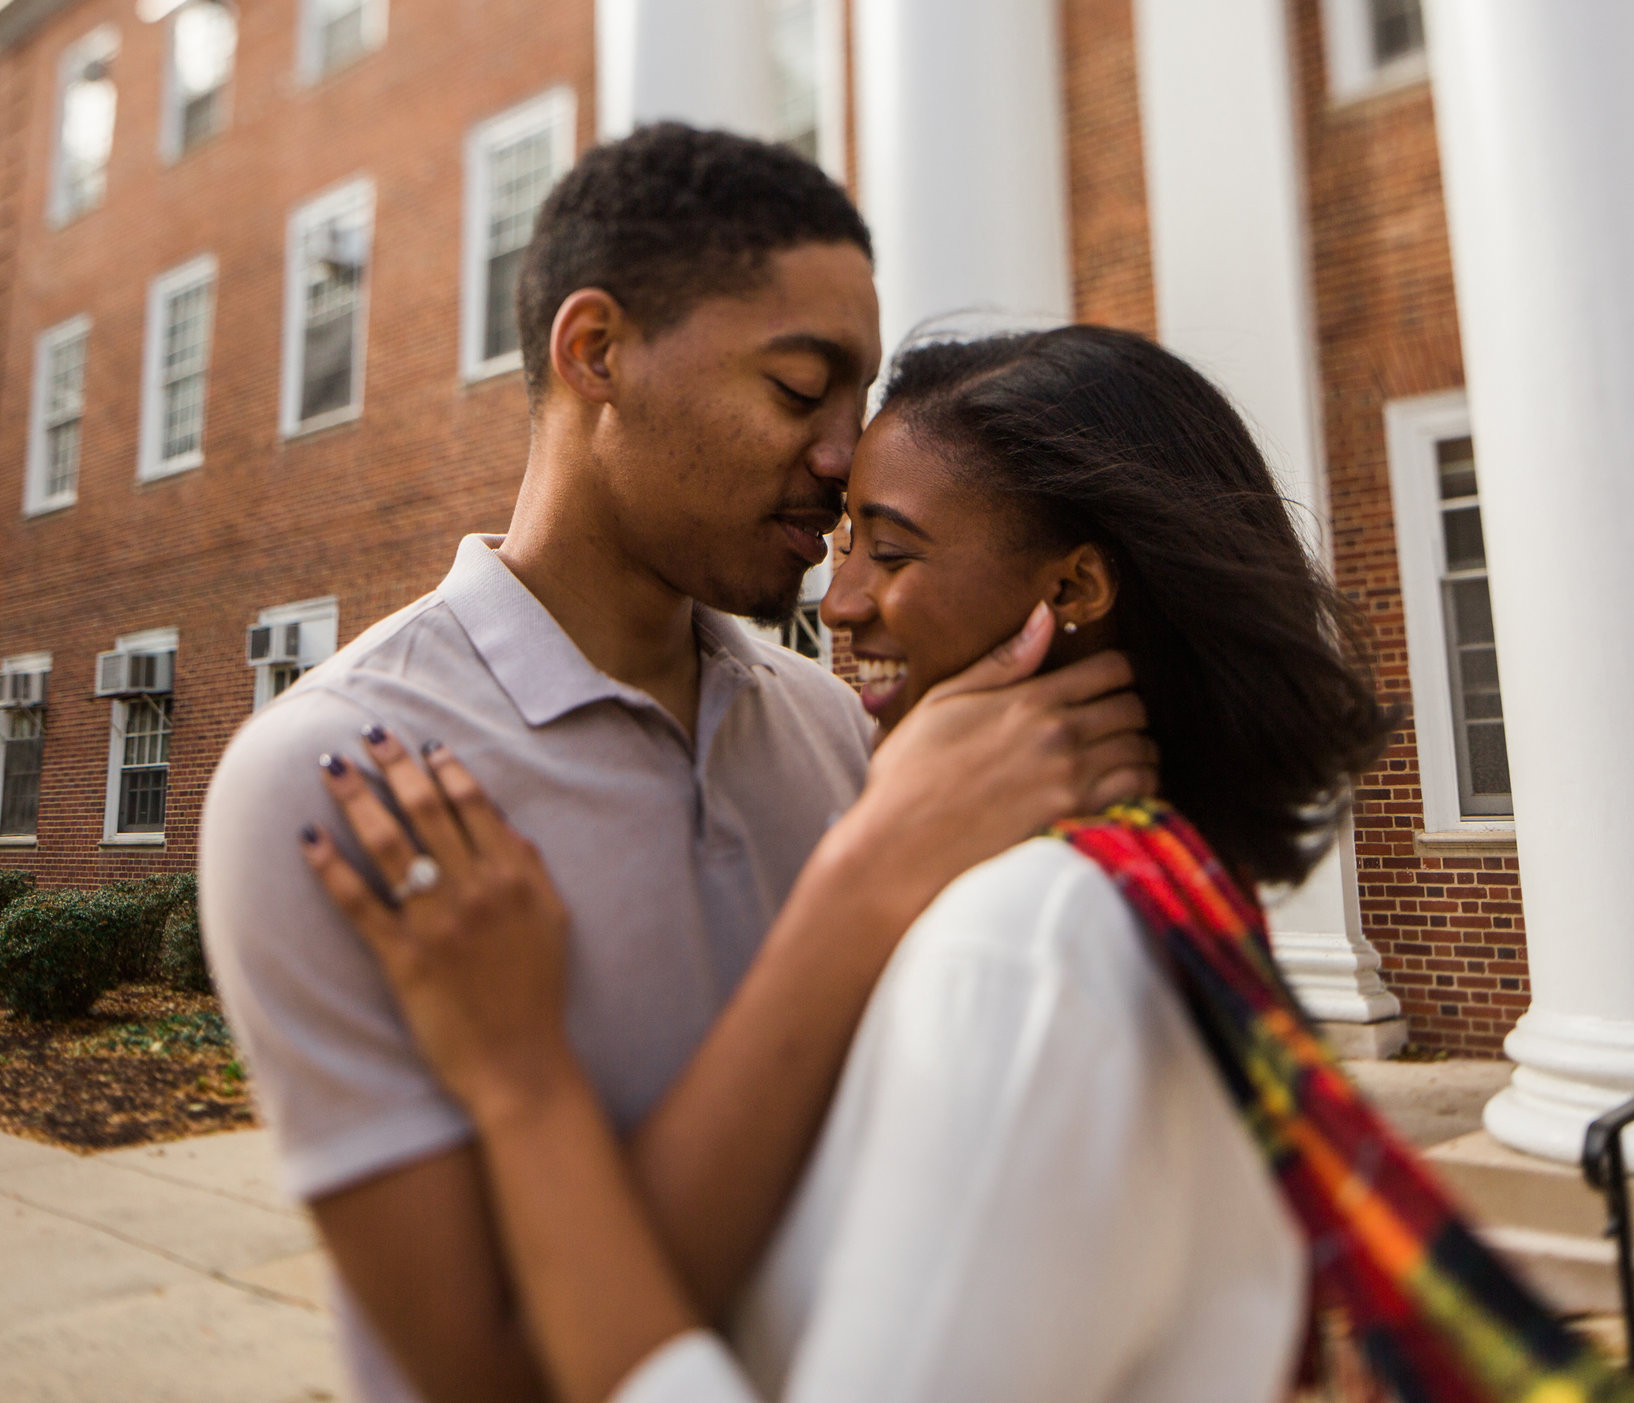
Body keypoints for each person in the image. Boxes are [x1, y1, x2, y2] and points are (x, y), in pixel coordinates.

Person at [304, 327, 1634, 1403]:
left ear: (1076, 588)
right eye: (840, 544)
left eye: (892, 549)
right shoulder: (1146, 883)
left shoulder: (1025, 940)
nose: (833, 602)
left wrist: (521, 1077)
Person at [198, 127, 1157, 1403]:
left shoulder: (836, 728)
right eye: (799, 386)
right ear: (595, 351)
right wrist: (864, 884)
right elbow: (488, 1378)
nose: (842, 455)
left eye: (856, 401)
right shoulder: (333, 778)